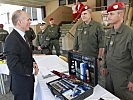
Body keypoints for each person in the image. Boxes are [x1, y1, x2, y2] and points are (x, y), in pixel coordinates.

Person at [4, 10, 39, 100]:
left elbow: (26, 54)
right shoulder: (12, 39)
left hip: (26, 82)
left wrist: (33, 62)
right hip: (21, 85)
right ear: (19, 22)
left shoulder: (23, 36)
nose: (30, 22)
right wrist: (31, 71)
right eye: (28, 20)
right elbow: (13, 65)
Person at [102, 2, 133, 100]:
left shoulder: (129, 34)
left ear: (120, 14)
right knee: (109, 96)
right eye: (108, 14)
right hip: (109, 76)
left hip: (123, 78)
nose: (108, 16)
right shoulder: (109, 32)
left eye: (111, 14)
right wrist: (104, 66)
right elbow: (106, 51)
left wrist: (132, 80)